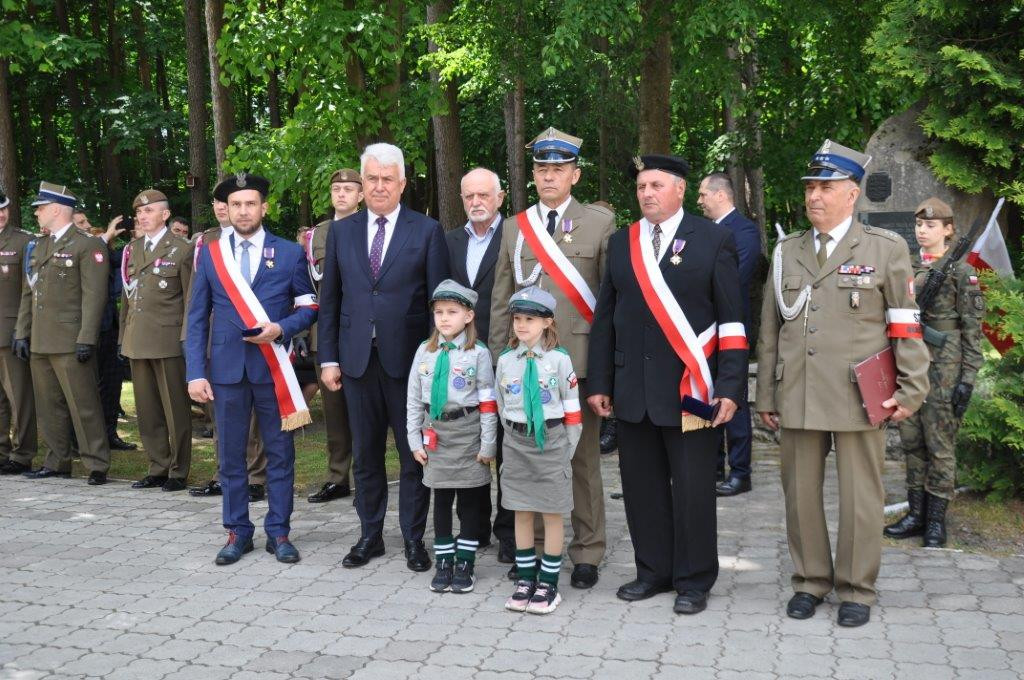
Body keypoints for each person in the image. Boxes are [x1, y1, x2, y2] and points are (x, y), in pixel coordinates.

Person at [755, 140, 930, 627]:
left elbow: (905, 325)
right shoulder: (787, 251)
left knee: (860, 497)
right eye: (810, 187)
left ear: (852, 194)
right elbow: (771, 330)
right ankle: (810, 581)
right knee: (800, 493)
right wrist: (765, 393)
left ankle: (856, 587)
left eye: (825, 187)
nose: (814, 197)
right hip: (800, 393)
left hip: (859, 396)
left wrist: (912, 388)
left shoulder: (885, 249)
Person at [588, 154, 748, 615]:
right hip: (633, 391)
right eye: (641, 187)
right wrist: (601, 381)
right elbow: (606, 320)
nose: (647, 193)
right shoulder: (623, 243)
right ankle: (652, 572)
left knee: (695, 490)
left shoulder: (714, 239)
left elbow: (733, 321)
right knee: (642, 488)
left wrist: (730, 387)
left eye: (656, 185)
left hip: (691, 393)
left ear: (680, 189)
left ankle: (694, 580)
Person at [488, 127, 611, 589]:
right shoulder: (514, 227)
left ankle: (587, 550)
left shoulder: (599, 224)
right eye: (541, 169)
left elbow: (606, 305)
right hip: (523, 369)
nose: (548, 177)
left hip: (574, 366)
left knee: (579, 464)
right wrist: (502, 361)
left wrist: (601, 376)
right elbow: (503, 298)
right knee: (527, 460)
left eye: (558, 170)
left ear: (575, 175)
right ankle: (538, 551)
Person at [318, 143, 450, 572]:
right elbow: (331, 300)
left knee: (414, 454)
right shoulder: (341, 231)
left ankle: (414, 539)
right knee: (366, 454)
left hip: (409, 365)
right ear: (362, 182)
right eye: (371, 178)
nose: (378, 187)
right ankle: (369, 535)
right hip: (356, 362)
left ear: (402, 184)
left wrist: (436, 364)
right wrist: (328, 359)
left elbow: (439, 305)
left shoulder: (426, 230)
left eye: (387, 179)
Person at [185, 172, 318, 565]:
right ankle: (237, 531)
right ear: (228, 209)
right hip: (225, 372)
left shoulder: (290, 252)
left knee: (280, 452)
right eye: (236, 204)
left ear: (264, 207)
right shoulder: (211, 254)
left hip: (273, 368)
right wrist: (195, 372)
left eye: (251, 203)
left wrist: (281, 328)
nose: (244, 211)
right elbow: (196, 319)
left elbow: (309, 306)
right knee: (229, 456)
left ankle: (279, 532)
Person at [885, 197, 983, 547]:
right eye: (918, 225)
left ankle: (937, 522)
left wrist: (967, 379)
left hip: (945, 369)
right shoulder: (908, 267)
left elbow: (973, 331)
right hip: (911, 366)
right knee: (912, 441)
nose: (922, 231)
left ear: (948, 229)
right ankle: (915, 513)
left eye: (930, 225)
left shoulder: (961, 272)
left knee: (940, 445)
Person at [14, 182, 111, 484]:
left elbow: (94, 296)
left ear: (56, 209)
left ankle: (96, 463)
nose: (37, 214)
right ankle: (57, 460)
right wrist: (21, 331)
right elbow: (29, 293)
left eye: (40, 208)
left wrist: (86, 338)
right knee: (48, 405)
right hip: (42, 339)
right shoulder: (40, 245)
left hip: (71, 340)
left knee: (83, 404)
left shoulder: (87, 244)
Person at [406, 280, 498, 593]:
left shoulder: (479, 353)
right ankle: (444, 560)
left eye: (452, 312)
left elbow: (487, 402)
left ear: (468, 316)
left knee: (470, 501)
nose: (444, 318)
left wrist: (488, 443)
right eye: (439, 312)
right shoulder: (425, 350)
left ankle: (466, 561)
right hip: (436, 432)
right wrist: (414, 439)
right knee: (441, 499)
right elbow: (414, 398)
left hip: (468, 433)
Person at [497, 286, 582, 615]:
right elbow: (503, 405)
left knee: (552, 512)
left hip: (552, 442)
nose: (521, 325)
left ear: (547, 322)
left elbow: (573, 410)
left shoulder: (560, 360)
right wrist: (513, 435)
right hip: (517, 443)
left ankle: (548, 582)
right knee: (521, 509)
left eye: (529, 319)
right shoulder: (506, 361)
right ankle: (525, 578)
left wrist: (566, 449)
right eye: (517, 318)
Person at [445, 167, 514, 563]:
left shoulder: (515, 235)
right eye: (469, 196)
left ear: (500, 198)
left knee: (506, 445)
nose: (476, 202)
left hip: (504, 356)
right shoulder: (450, 240)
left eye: (484, 195)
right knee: (469, 443)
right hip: (460, 361)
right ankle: (473, 528)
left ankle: (508, 531)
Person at [189, 197, 268, 502]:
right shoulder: (208, 245)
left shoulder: (277, 249)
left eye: (240, 203)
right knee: (224, 416)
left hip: (261, 345)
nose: (230, 208)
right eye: (224, 203)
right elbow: (197, 304)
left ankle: (256, 476)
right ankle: (224, 474)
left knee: (258, 420)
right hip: (219, 342)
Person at [120, 189, 194, 492]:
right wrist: (124, 337)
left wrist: (188, 339)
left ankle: (179, 470)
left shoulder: (182, 249)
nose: (142, 216)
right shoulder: (133, 248)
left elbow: (191, 301)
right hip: (138, 339)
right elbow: (128, 297)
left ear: (164, 215)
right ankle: (157, 466)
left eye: (148, 211)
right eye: (139, 212)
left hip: (168, 339)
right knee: (147, 409)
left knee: (176, 409)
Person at [697, 172, 762, 497]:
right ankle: (711, 467)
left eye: (703, 194)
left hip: (731, 332)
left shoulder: (745, 231)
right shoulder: (703, 232)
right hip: (703, 332)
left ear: (720, 195)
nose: (699, 201)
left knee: (733, 399)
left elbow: (734, 280)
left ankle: (740, 472)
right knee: (706, 397)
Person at [301, 168, 360, 504]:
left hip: (363, 331)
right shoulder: (316, 235)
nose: (341, 194)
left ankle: (368, 474)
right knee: (334, 409)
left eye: (348, 189)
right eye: (336, 189)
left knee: (366, 408)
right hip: (326, 331)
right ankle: (338, 476)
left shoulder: (370, 228)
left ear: (360, 195)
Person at [0, 190, 38, 475]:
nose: (1, 214)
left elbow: (30, 291)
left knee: (19, 397)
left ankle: (22, 454)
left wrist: (22, 331)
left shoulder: (24, 241)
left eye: (4, 209)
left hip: (10, 332)